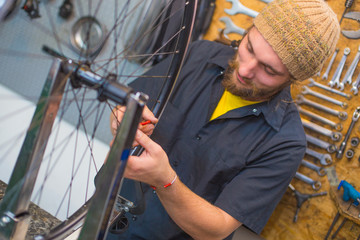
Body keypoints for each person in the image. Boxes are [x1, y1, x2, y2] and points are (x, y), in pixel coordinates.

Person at [107, 0, 340, 239]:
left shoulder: (286, 143)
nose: (246, 70)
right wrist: (122, 117)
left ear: (292, 79)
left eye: (268, 70)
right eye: (249, 48)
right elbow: (129, 104)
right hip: (105, 214)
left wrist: (165, 180)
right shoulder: (199, 54)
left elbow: (217, 229)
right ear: (249, 31)